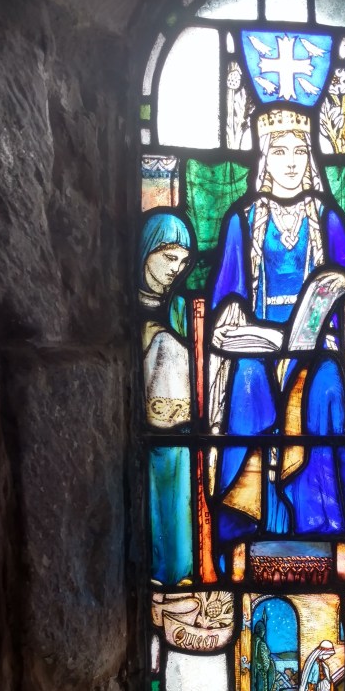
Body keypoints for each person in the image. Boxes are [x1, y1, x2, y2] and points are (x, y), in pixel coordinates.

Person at [207, 107, 345, 581]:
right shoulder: (242, 223)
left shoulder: (327, 219)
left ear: (311, 159)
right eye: (279, 151)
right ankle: (252, 524)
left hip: (316, 351)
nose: (289, 161)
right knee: (245, 380)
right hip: (258, 353)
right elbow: (224, 301)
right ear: (263, 157)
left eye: (300, 151)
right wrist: (237, 320)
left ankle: (319, 524)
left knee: (326, 382)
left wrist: (341, 296)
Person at [139, 212, 195, 586]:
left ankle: (181, 572)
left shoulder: (182, 307)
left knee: (178, 499)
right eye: (168, 257)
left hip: (181, 432)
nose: (176, 268)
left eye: (182, 260)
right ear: (145, 253)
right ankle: (158, 573)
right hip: (146, 432)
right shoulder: (125, 303)